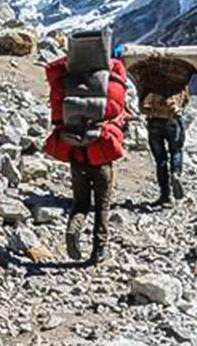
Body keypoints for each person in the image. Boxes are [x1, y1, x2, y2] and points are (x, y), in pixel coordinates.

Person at [44, 29, 130, 264]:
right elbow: (117, 111)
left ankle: (73, 229)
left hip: (76, 153)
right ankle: (98, 250)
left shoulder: (65, 83)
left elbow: (56, 118)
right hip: (101, 155)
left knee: (80, 203)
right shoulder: (109, 83)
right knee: (102, 206)